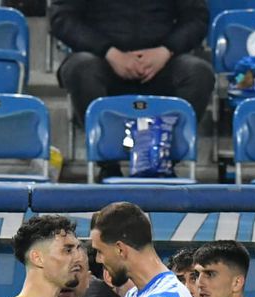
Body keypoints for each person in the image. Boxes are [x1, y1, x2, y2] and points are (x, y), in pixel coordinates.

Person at [49, 0, 213, 179]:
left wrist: (166, 50)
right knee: (82, 68)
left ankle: (162, 161)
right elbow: (62, 19)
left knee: (198, 72)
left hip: (162, 61)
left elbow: (197, 19)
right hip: (101, 59)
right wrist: (109, 52)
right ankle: (107, 164)